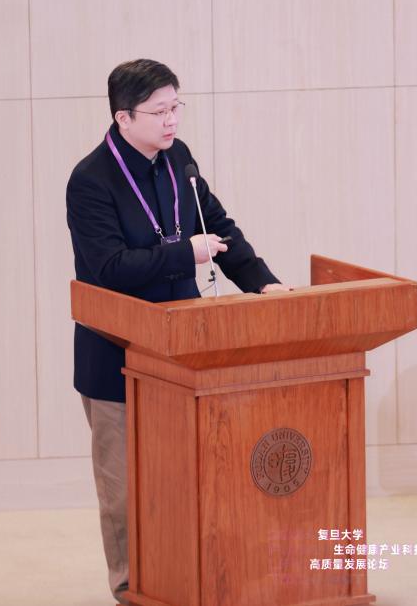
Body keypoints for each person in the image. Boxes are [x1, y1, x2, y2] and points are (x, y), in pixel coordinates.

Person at [66, 58, 289, 604]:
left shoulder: (178, 160)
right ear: (123, 117)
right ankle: (131, 589)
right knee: (125, 488)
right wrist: (183, 254)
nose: (171, 121)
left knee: (190, 476)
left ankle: (190, 577)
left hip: (185, 347)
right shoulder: (90, 180)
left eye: (176, 107)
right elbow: (108, 269)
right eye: (159, 111)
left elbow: (217, 225)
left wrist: (263, 283)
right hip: (117, 355)